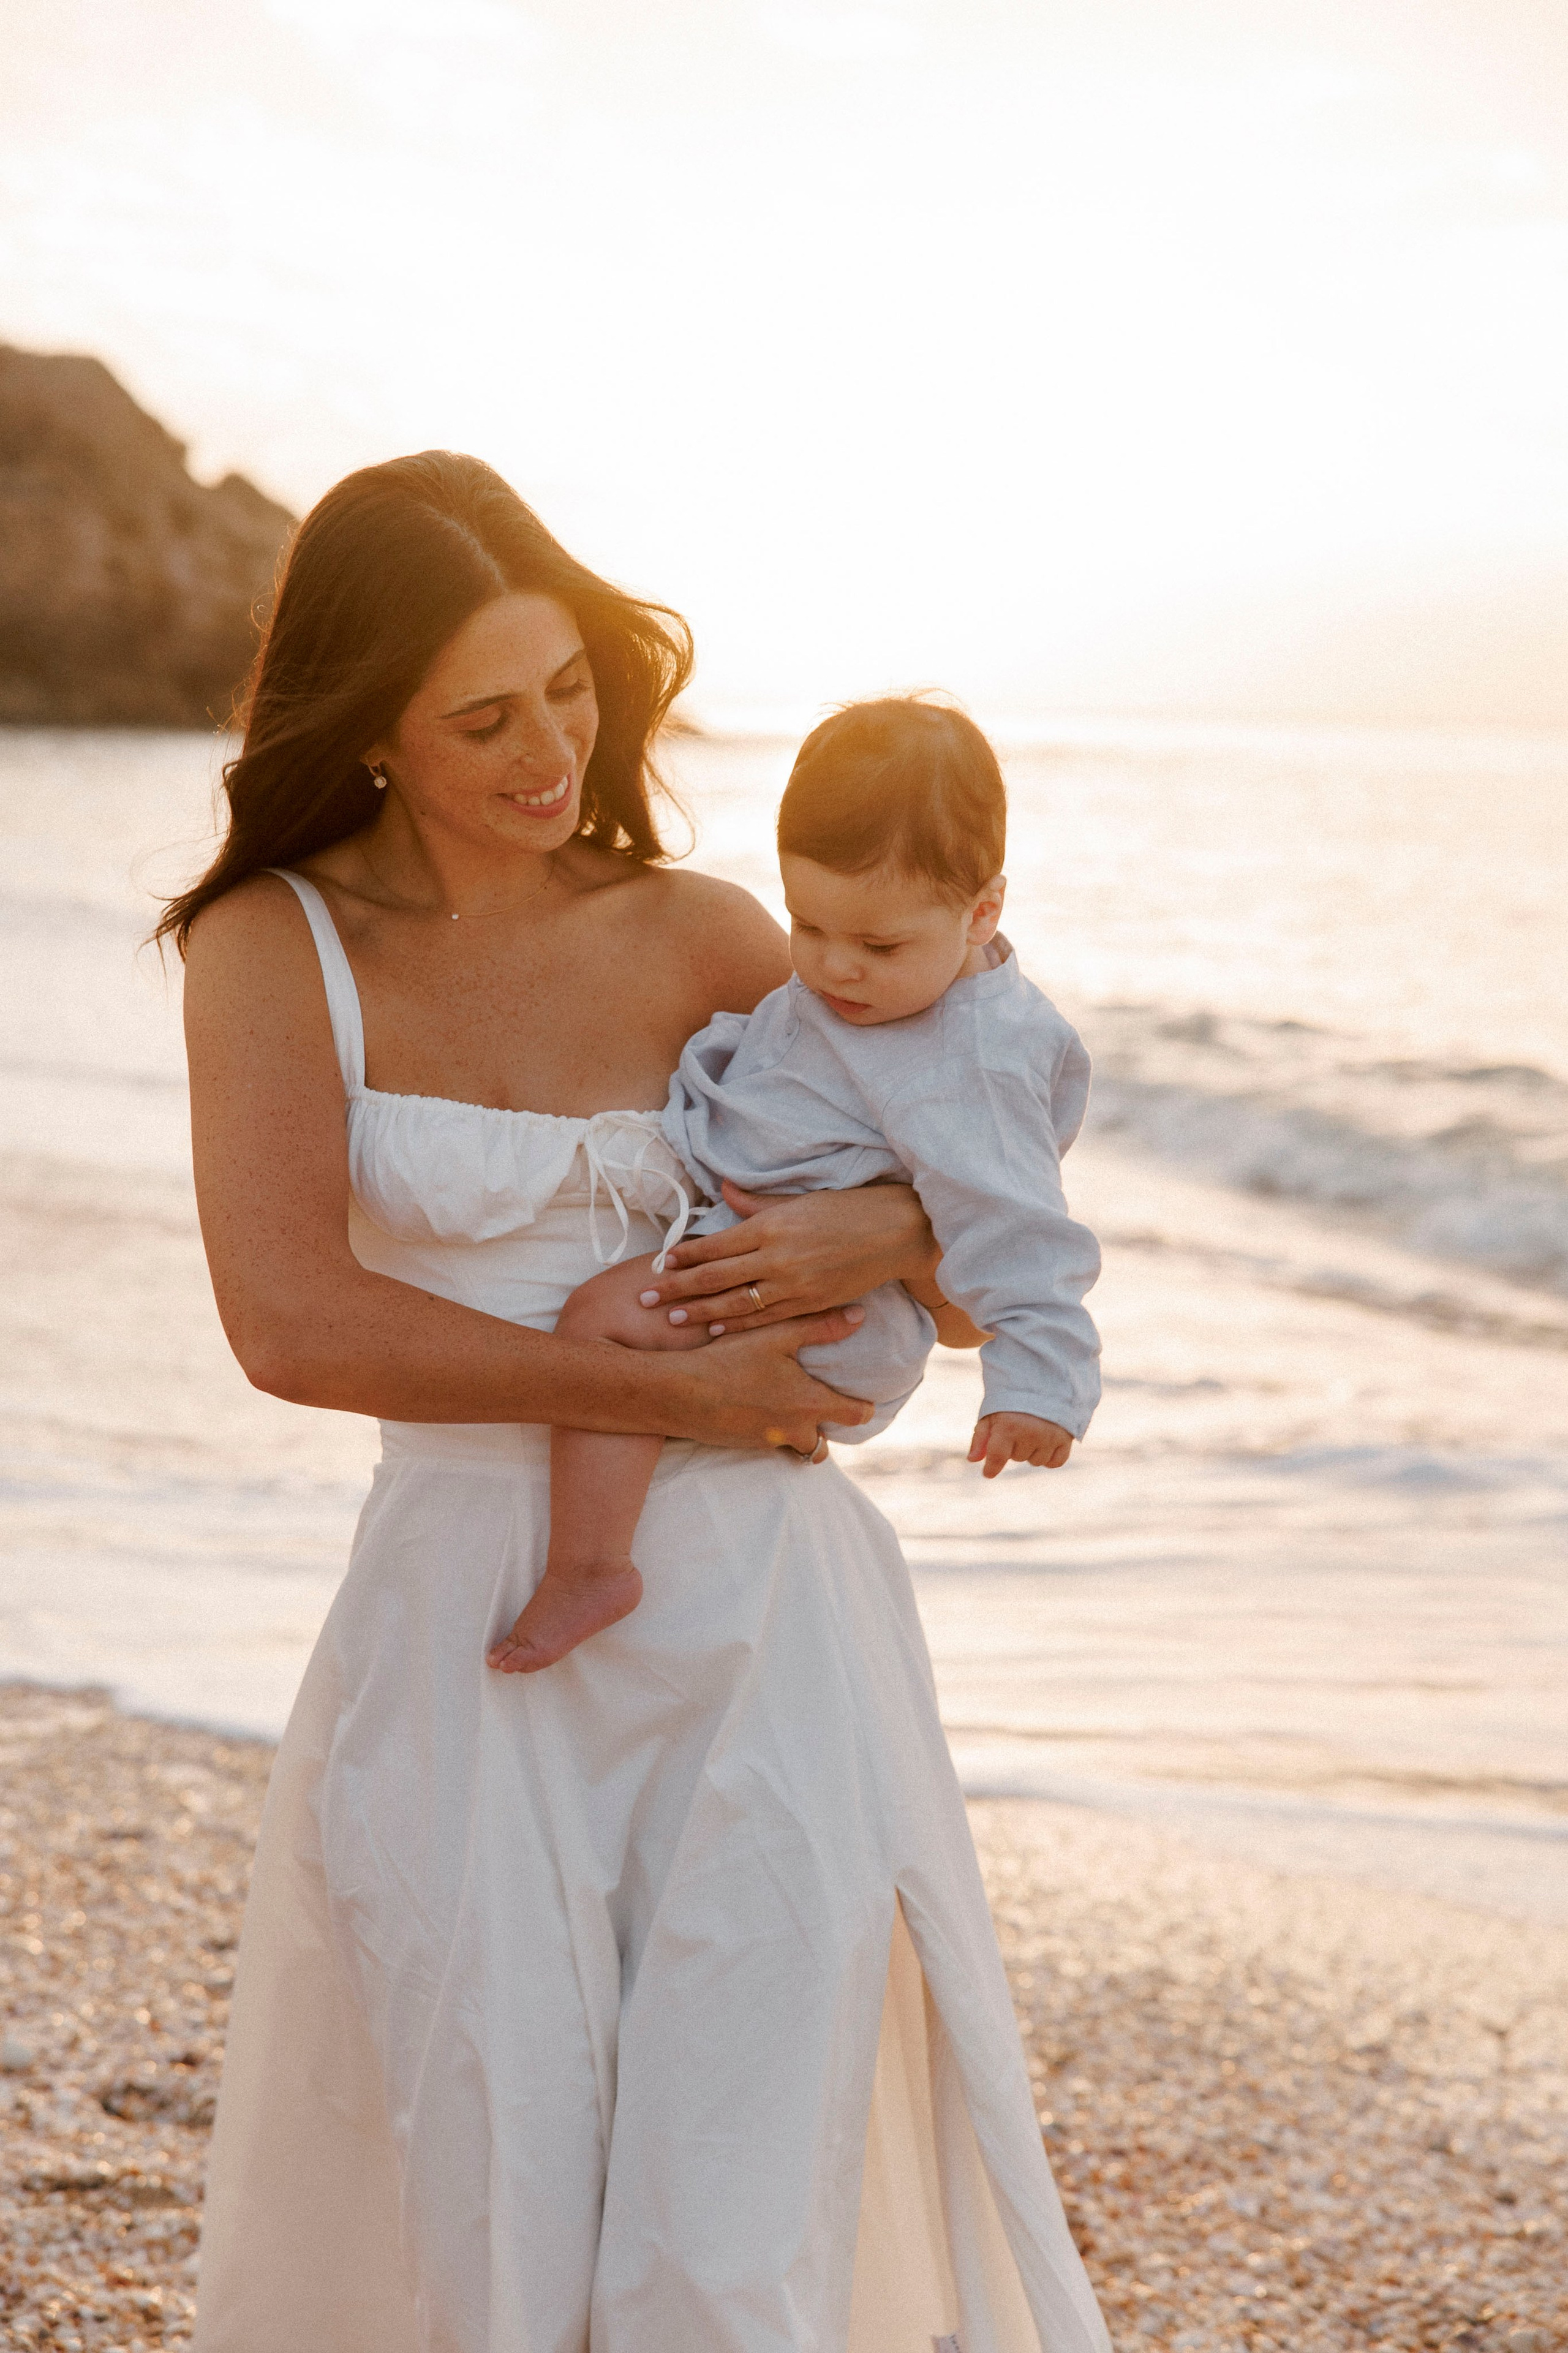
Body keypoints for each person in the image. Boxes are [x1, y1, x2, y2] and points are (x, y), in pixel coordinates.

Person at [169, 448, 1112, 2352]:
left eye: (571, 690)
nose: (551, 752)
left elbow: (969, 1213)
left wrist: (877, 1235)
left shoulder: (704, 932)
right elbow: (290, 1322)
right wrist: (650, 1385)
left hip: (767, 1622)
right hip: (473, 1624)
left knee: (735, 2211)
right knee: (493, 2190)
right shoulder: (274, 947)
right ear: (367, 727)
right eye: (486, 720)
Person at [492, 697, 1102, 1675]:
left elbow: (1020, 1227)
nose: (833, 966)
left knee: (601, 1321)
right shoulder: (882, 992)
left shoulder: (977, 1057)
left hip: (844, 1320)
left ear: (983, 912)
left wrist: (1040, 1388)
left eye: (878, 945)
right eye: (807, 925)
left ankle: (591, 1567)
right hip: (783, 1274)